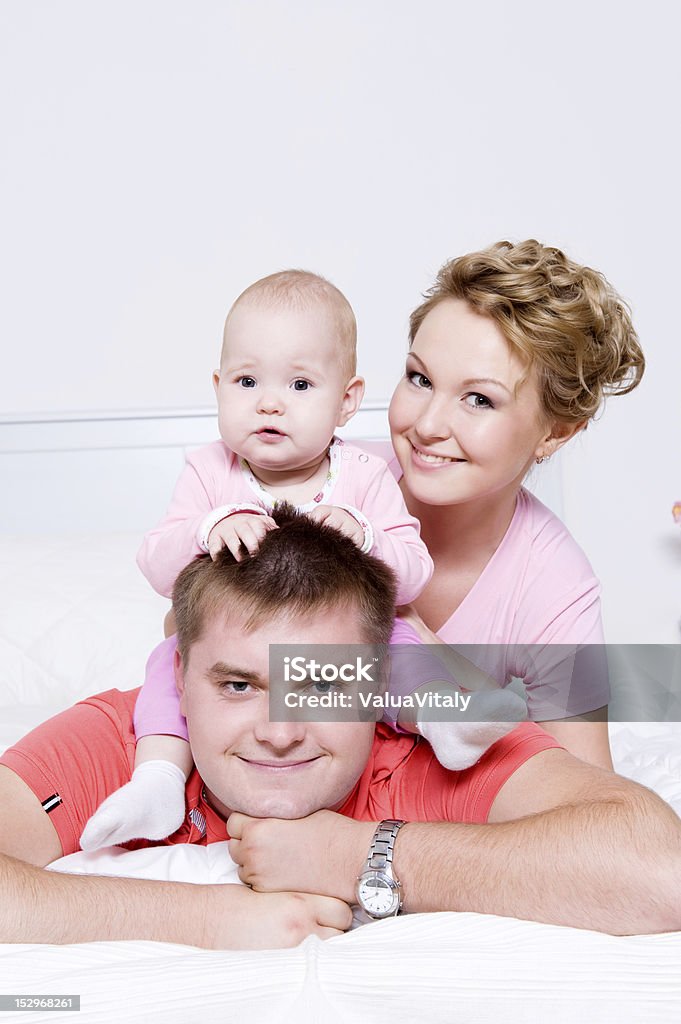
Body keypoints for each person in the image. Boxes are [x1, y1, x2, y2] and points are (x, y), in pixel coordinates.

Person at [0, 509, 679, 949]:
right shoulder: (125, 738)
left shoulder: (430, 748)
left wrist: (359, 857)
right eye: (237, 685)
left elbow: (660, 871)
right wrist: (206, 919)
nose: (279, 731)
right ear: (177, 680)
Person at [80, 269, 523, 851]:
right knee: (172, 663)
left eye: (299, 386)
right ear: (217, 387)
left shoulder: (364, 477)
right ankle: (159, 778)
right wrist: (208, 525)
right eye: (245, 381)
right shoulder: (211, 473)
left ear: (346, 403)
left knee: (397, 642)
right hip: (234, 640)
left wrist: (366, 535)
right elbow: (156, 566)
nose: (268, 402)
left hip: (341, 650)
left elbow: (414, 576)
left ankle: (445, 719)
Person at [379, 239, 646, 770]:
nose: (428, 426)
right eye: (419, 378)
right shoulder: (331, 481)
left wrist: (427, 648)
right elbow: (188, 631)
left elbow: (589, 797)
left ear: (557, 431)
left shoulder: (554, 585)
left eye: (479, 399)